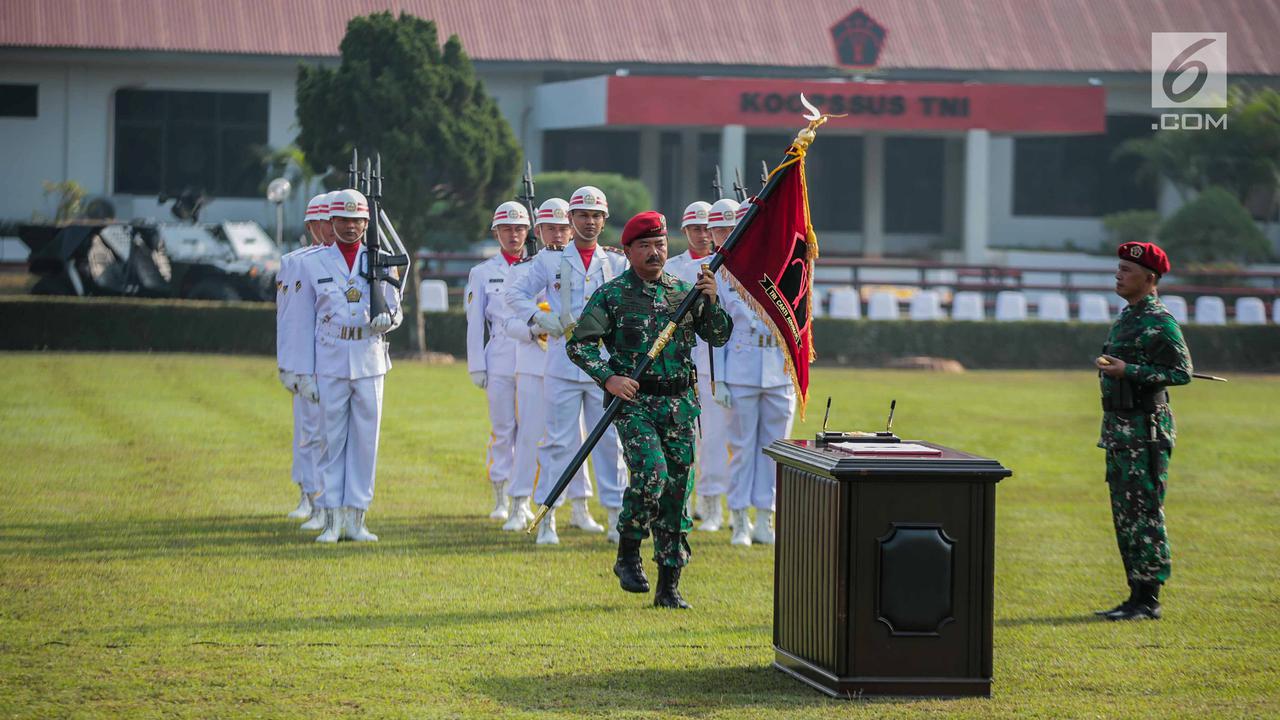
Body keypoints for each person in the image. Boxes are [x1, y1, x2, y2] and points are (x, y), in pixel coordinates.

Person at [567, 211, 732, 609]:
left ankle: (669, 585)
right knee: (652, 474)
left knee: (677, 494)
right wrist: (609, 378)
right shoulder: (613, 295)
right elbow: (579, 345)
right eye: (645, 246)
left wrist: (712, 300)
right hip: (635, 405)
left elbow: (718, 335)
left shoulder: (684, 292)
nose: (655, 252)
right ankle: (628, 551)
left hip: (679, 407)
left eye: (660, 244)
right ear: (628, 251)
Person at [506, 186, 627, 545]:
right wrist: (539, 318)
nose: (589, 222)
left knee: (610, 442)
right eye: (583, 215)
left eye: (596, 216)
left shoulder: (616, 262)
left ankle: (616, 517)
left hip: (604, 365)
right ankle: (548, 517)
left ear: (604, 220)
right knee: (557, 443)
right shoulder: (548, 261)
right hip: (563, 359)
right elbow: (514, 294)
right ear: (571, 219)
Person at [283, 188, 402, 543]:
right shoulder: (312, 263)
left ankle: (357, 518)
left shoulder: (380, 260)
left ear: (367, 223)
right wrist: (303, 373)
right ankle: (332, 518)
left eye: (357, 220)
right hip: (331, 357)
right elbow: (300, 323)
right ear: (331, 222)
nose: (351, 226)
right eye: (344, 220)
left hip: (369, 356)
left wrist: (388, 320)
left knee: (366, 442)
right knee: (330, 441)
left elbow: (396, 308)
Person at [1093, 241, 1191, 621]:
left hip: (1145, 430)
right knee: (1125, 515)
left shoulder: (1159, 320)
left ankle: (1149, 600)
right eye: (1118, 269)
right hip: (1120, 429)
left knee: (1145, 512)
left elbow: (1181, 372)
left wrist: (1128, 371)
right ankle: (1134, 595)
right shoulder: (1128, 316)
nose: (1118, 275)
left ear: (1150, 278)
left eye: (1127, 271)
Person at [500, 198, 594, 535]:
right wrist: (537, 327)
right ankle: (519, 503)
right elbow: (506, 320)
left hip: (572, 362)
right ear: (538, 231)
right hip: (533, 361)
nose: (557, 234)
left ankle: (581, 505)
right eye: (549, 228)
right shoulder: (524, 268)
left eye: (562, 228)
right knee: (530, 436)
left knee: (578, 438)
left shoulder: (583, 264)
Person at [707, 197, 796, 547]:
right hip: (741, 368)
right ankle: (740, 518)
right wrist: (719, 378)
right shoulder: (724, 271)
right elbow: (718, 331)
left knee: (775, 449)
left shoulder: (785, 267)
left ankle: (765, 517)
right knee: (742, 448)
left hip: (778, 369)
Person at [664, 200, 732, 532]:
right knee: (682, 436)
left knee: (715, 437)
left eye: (707, 229)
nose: (702, 235)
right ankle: (684, 499)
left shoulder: (727, 266)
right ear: (684, 231)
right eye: (695, 229)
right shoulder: (672, 267)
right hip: (680, 362)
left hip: (715, 363)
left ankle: (711, 500)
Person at [465, 201, 530, 522]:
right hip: (500, 356)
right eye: (506, 229)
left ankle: (524, 496)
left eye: (518, 229)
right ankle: (501, 494)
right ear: (496, 233)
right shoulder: (482, 272)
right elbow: (475, 323)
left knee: (530, 430)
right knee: (503, 429)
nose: (513, 235)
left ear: (527, 231)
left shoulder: (537, 266)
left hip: (531, 354)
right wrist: (477, 365)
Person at [277, 191, 333, 530]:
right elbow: (289, 319)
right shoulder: (297, 262)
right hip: (307, 361)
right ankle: (310, 496)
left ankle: (328, 502)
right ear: (311, 226)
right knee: (309, 433)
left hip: (336, 357)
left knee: (333, 436)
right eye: (323, 222)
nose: (330, 228)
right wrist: (289, 365)